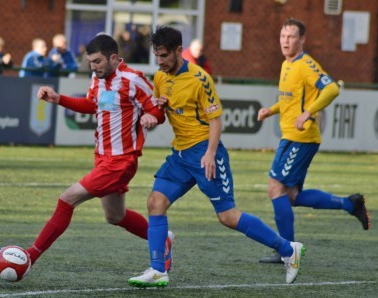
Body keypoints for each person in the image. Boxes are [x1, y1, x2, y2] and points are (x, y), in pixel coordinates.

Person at [128, 25, 305, 288]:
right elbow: (162, 111)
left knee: (228, 217)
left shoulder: (200, 78)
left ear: (179, 51)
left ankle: (288, 250)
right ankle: (158, 270)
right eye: (157, 56)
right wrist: (154, 116)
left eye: (164, 55)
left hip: (204, 153)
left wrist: (211, 154)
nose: (160, 61)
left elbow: (216, 120)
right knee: (155, 203)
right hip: (180, 155)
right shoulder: (161, 78)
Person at [25, 34, 174, 275]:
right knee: (115, 216)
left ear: (113, 57)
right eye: (90, 62)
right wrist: (58, 99)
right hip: (103, 158)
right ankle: (161, 238)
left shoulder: (133, 79)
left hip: (121, 161)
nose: (92, 67)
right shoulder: (98, 79)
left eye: (97, 62)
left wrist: (151, 117)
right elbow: (91, 105)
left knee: (67, 199)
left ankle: (30, 255)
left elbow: (157, 111)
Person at [256, 17, 370, 264]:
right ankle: (351, 204)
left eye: (291, 37)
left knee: (275, 189)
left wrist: (308, 113)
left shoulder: (306, 64)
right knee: (291, 196)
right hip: (291, 137)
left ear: (302, 39)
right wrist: (271, 111)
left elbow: (331, 89)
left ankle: (287, 251)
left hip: (302, 138)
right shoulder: (287, 64)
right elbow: (290, 99)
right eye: (283, 36)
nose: (285, 41)